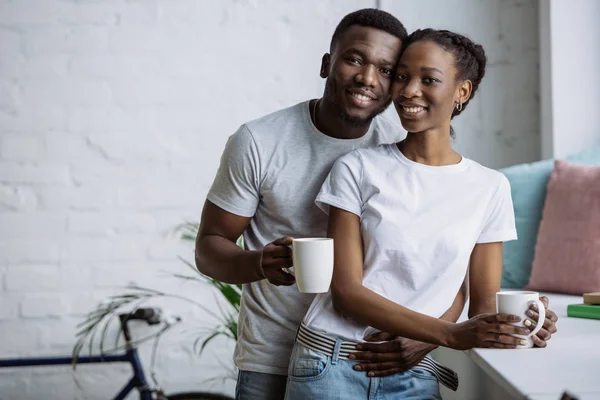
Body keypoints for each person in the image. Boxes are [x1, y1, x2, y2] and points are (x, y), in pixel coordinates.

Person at [196, 9, 557, 400]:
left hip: (398, 358)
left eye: (388, 70)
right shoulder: (268, 143)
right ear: (326, 65)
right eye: (355, 59)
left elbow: (440, 274)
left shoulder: (414, 146)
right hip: (288, 351)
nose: (373, 80)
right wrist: (258, 263)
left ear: (460, 91)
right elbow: (211, 246)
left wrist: (513, 326)